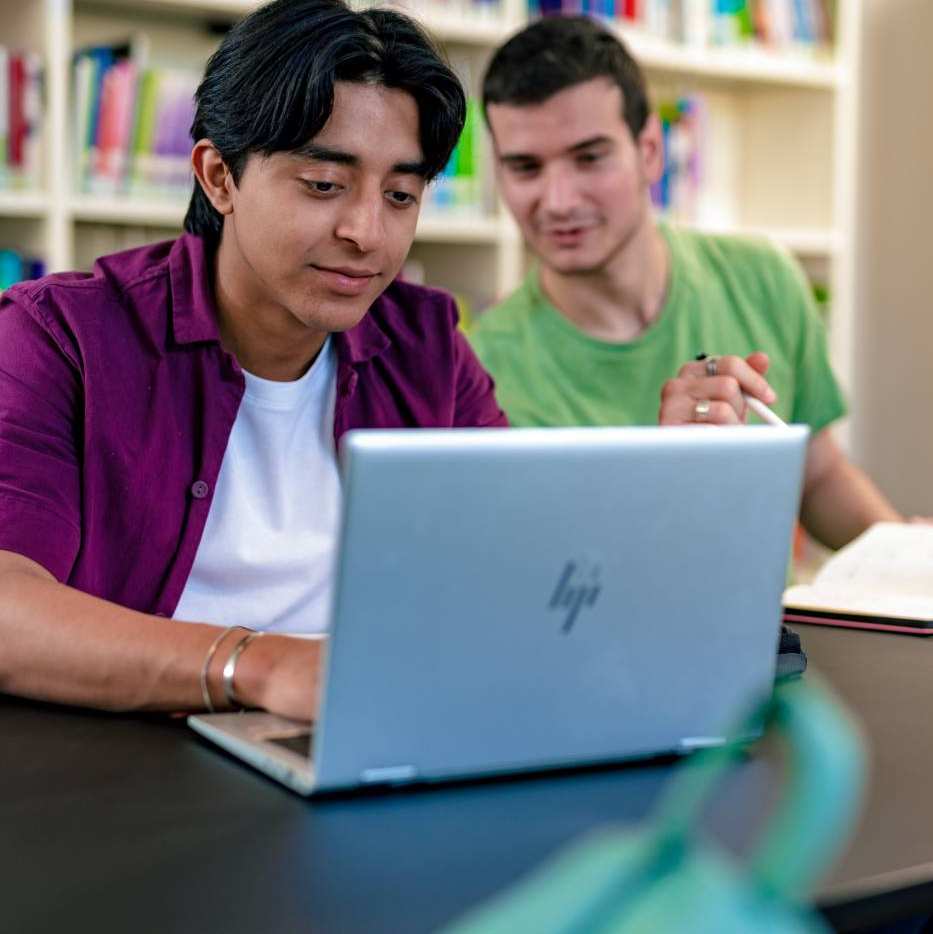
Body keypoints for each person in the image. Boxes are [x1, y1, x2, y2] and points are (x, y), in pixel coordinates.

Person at [0, 0, 505, 722]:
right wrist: (257, 664)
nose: (366, 232)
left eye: (400, 195)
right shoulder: (61, 337)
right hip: (130, 755)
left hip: (358, 731)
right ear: (218, 176)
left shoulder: (427, 347)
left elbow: (515, 568)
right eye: (324, 185)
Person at [468, 14, 902, 551]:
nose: (558, 201)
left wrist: (905, 561)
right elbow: (548, 580)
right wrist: (672, 477)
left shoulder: (763, 277)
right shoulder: (479, 372)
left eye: (589, 158)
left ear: (650, 151)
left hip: (777, 635)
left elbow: (818, 476)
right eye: (526, 168)